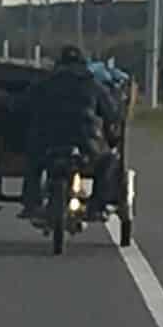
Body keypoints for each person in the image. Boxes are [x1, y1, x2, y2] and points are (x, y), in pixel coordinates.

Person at [22, 44, 109, 216]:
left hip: (48, 139)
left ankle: (31, 203)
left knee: (33, 162)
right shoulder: (91, 83)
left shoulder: (46, 82)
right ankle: (97, 206)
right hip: (84, 140)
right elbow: (111, 110)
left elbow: (25, 104)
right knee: (106, 162)